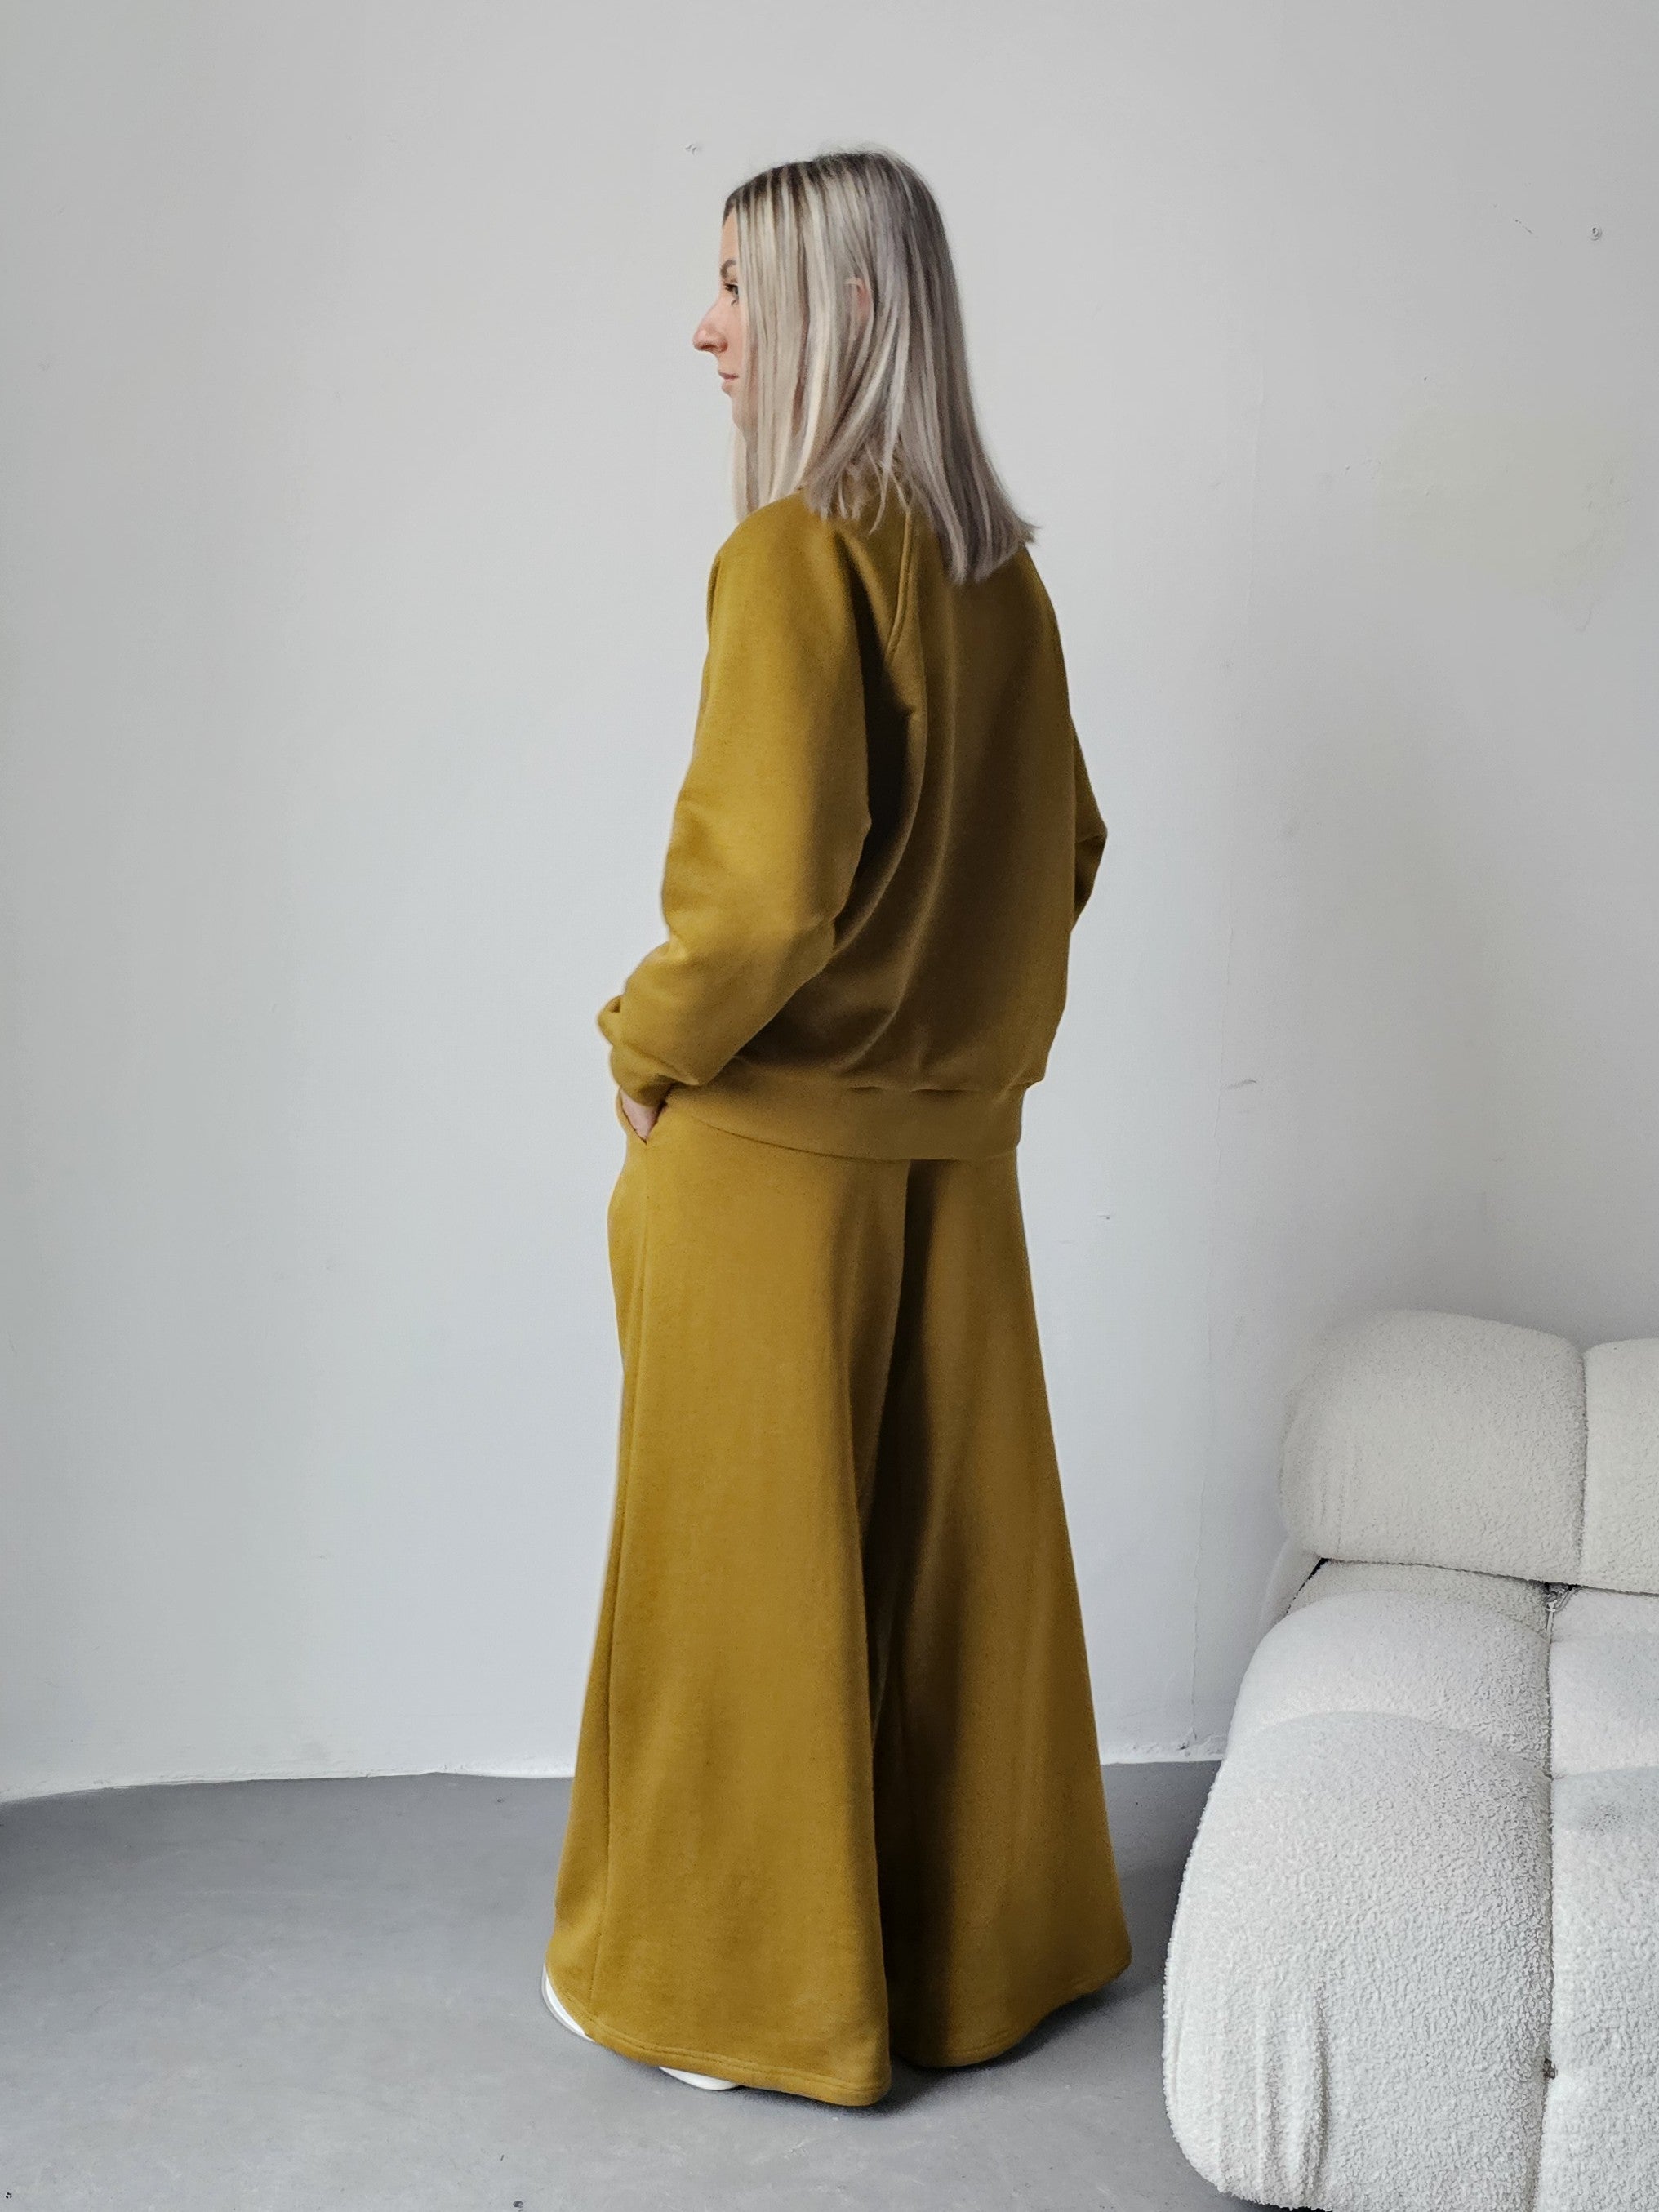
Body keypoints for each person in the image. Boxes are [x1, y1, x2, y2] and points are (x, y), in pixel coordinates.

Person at [540, 145, 1128, 2109]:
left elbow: (767, 891)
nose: (705, 328)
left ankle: (729, 1990)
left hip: (771, 1166)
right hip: (951, 1159)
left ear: (846, 306)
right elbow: (1065, 847)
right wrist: (954, 1041)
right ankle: (979, 1963)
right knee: (945, 1570)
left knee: (738, 1587)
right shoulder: (996, 577)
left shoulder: (797, 551)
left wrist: (643, 1042)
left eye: (738, 284)